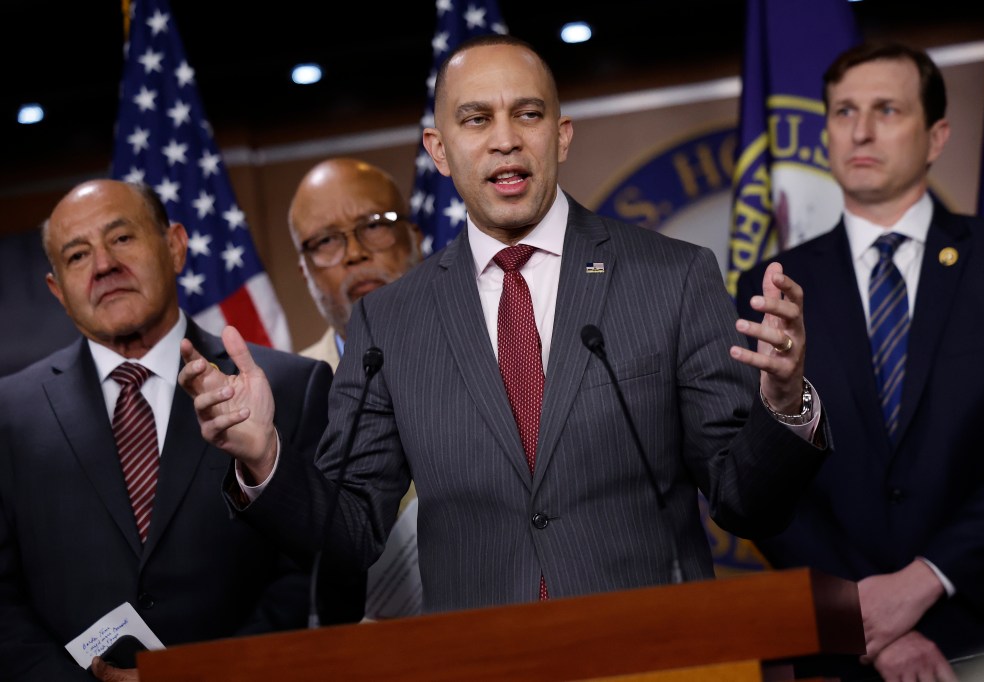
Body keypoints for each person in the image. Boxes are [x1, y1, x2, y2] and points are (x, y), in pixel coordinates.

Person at [180, 34, 829, 615]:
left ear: (562, 135)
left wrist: (785, 405)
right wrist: (265, 457)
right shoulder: (389, 322)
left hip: (654, 649)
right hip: (482, 658)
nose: (505, 138)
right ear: (439, 149)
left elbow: (746, 503)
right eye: (475, 118)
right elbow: (350, 533)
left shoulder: (673, 277)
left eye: (527, 113)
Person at [737, 43, 984, 680]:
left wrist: (926, 580)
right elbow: (762, 480)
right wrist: (868, 616)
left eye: (886, 110)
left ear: (936, 136)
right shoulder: (771, 286)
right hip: (846, 649)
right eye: (843, 112)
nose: (860, 131)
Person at [0, 179, 360, 682]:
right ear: (57, 289)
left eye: (121, 238)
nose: (104, 265)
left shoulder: (290, 387)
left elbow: (323, 577)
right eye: (78, 255)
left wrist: (204, 673)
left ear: (175, 246)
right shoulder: (9, 414)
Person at [288, 157, 423, 619]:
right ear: (304, 272)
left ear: (415, 238)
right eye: (326, 241)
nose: (354, 253)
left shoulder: (503, 353)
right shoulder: (282, 399)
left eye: (374, 225)